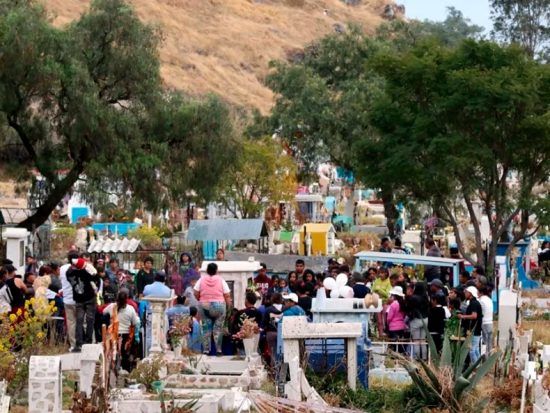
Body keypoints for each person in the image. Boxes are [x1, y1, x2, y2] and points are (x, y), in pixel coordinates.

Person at [194, 263, 232, 355]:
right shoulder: (221, 280)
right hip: (219, 306)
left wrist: (200, 299)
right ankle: (218, 350)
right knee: (218, 328)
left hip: (204, 306)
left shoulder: (201, 280)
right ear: (216, 270)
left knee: (206, 328)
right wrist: (228, 307)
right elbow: (227, 295)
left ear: (207, 271)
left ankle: (206, 350)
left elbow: (195, 292)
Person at [67, 258, 100, 352]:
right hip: (90, 299)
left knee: (79, 321)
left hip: (78, 300)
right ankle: (88, 342)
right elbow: (96, 278)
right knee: (90, 321)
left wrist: (74, 265)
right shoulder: (86, 272)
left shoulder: (69, 273)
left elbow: (70, 272)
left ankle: (78, 344)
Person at [103, 290, 140, 372]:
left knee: (113, 354)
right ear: (127, 299)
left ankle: (113, 371)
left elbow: (104, 312)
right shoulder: (131, 309)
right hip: (126, 337)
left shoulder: (112, 306)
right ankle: (125, 373)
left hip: (113, 336)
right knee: (125, 356)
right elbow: (135, 323)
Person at [458, 286, 483, 364]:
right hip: (477, 329)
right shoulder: (474, 302)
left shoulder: (474, 303)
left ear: (470, 293)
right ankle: (479, 365)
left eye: (466, 292)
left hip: (474, 330)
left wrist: (463, 316)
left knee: (472, 350)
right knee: (476, 349)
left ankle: (475, 366)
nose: (465, 294)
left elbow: (474, 316)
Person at [407, 282, 430, 360]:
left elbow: (409, 308)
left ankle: (417, 359)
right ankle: (424, 358)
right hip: (425, 319)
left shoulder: (413, 298)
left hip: (416, 319)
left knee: (416, 341)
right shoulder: (426, 297)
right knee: (423, 340)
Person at [60, 251, 79, 351]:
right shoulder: (79, 267)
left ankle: (73, 344)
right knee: (81, 322)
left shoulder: (62, 268)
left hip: (67, 299)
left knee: (71, 323)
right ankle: (82, 343)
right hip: (79, 300)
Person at [386, 286, 407, 352]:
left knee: (394, 345)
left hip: (393, 327)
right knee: (400, 344)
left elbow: (389, 317)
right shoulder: (403, 303)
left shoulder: (393, 304)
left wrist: (387, 323)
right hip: (401, 326)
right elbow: (404, 315)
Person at [264, 293, 283, 362]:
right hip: (282, 333)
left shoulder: (268, 309)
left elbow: (264, 322)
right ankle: (281, 366)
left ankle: (274, 367)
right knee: (282, 352)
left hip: (271, 332)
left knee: (272, 353)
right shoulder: (285, 308)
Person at [373, 268, 391, 336]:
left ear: (386, 273)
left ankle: (387, 333)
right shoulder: (377, 280)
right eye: (379, 273)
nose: (380, 274)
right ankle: (380, 334)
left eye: (382, 273)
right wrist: (377, 291)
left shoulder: (389, 281)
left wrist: (379, 290)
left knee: (385, 320)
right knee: (379, 321)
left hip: (385, 303)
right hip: (377, 303)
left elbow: (388, 294)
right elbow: (373, 290)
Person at [478, 285, 493, 356]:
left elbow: (481, 312)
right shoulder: (489, 299)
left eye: (478, 293)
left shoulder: (481, 300)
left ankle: (485, 357)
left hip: (484, 322)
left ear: (481, 293)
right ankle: (490, 356)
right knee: (489, 342)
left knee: (484, 342)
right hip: (490, 322)